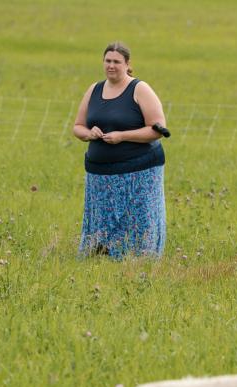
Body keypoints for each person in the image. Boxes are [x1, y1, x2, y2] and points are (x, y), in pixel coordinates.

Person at [72, 42, 167, 258]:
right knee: (102, 220)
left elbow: (157, 129)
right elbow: (77, 127)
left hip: (139, 171)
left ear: (127, 64)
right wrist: (89, 134)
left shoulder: (140, 89)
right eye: (107, 61)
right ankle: (101, 256)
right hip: (99, 172)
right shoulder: (94, 89)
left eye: (116, 61)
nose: (111, 65)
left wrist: (122, 136)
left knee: (136, 217)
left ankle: (138, 258)